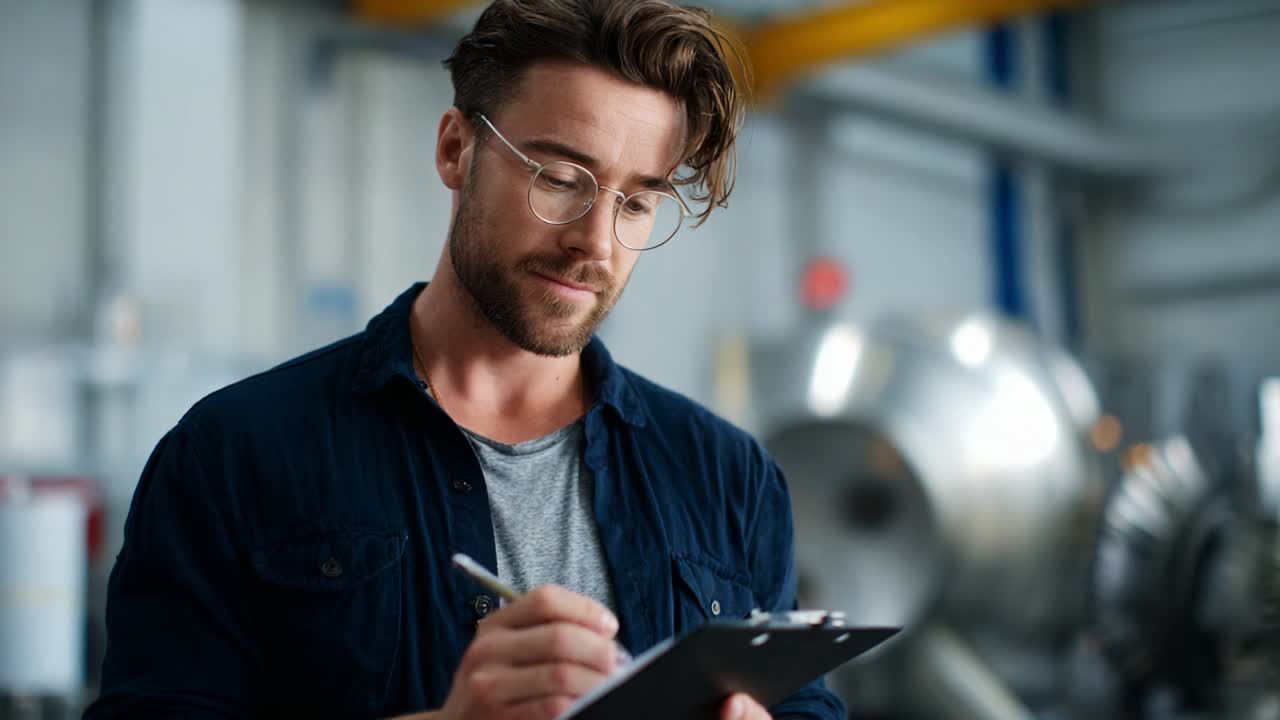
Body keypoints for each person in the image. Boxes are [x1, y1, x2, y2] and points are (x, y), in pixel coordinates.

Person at [86, 1, 845, 718]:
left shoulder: (728, 478)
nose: (596, 241)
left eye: (636, 202)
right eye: (558, 178)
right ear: (457, 149)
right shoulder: (233, 456)